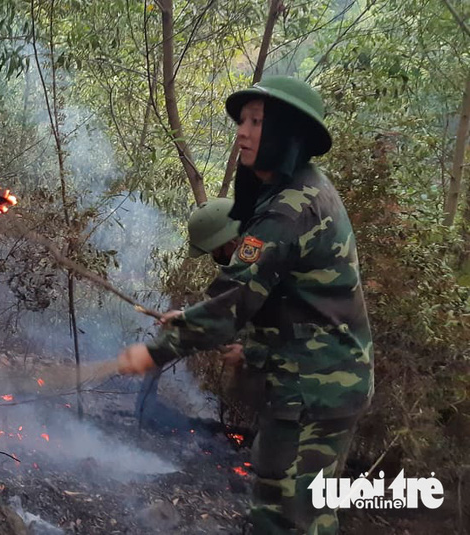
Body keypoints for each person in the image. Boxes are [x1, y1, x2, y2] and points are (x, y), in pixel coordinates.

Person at [115, 76, 374, 534]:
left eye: (257, 122)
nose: (243, 131)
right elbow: (289, 306)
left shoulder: (288, 211)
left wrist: (155, 351)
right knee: (289, 509)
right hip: (311, 384)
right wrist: (250, 351)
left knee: (292, 517)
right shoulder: (296, 191)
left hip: (314, 392)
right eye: (243, 120)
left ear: (287, 135)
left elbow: (232, 303)